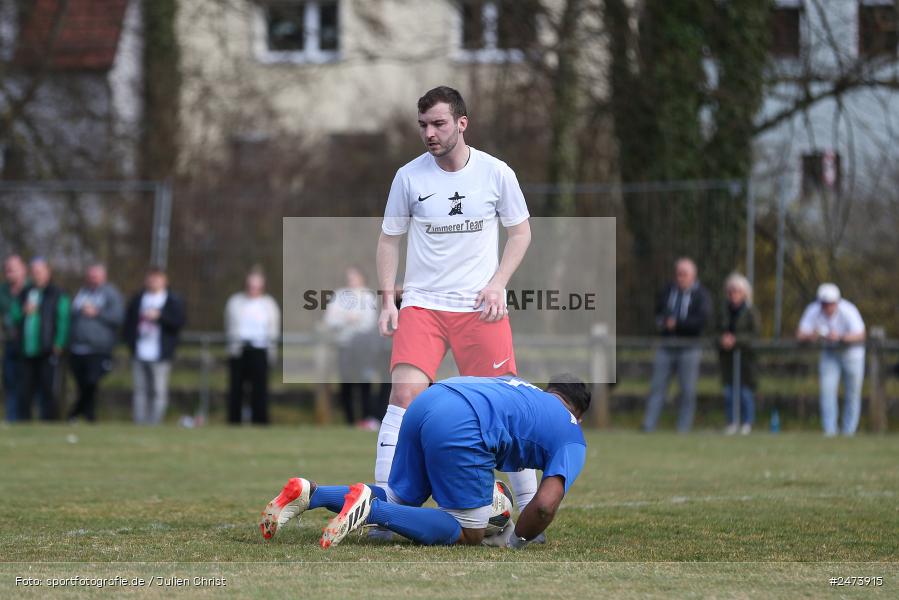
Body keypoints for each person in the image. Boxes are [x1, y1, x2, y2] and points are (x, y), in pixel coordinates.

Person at [376, 86, 535, 512]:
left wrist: (498, 283)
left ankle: (529, 508)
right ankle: (385, 508)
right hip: (423, 305)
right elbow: (389, 239)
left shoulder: (496, 172)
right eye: (423, 125)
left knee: (504, 406)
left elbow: (521, 232)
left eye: (439, 124)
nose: (429, 133)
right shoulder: (408, 177)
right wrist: (389, 300)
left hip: (480, 308)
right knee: (403, 397)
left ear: (462, 123)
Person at [259, 374, 589, 549]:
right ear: (579, 415)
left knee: (400, 496)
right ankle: (369, 511)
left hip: (431, 397)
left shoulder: (521, 388)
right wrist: (516, 541)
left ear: (549, 391)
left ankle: (311, 493)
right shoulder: (572, 433)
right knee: (469, 531)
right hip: (464, 422)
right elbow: (544, 506)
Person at [642, 257, 711, 432]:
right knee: (657, 387)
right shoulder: (668, 290)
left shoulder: (701, 295)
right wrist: (663, 322)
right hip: (666, 345)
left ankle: (683, 428)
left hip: (689, 347)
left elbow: (701, 321)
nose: (680, 277)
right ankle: (648, 426)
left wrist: (678, 324)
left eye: (684, 274)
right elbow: (658, 311)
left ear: (693, 275)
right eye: (678, 273)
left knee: (687, 390)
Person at [797, 283, 865, 436]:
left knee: (852, 394)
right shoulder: (813, 310)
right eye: (824, 304)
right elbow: (800, 334)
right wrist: (813, 335)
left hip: (852, 355)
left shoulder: (848, 310)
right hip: (829, 354)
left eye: (830, 304)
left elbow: (860, 334)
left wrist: (840, 338)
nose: (827, 307)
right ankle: (830, 432)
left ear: (837, 302)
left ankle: (849, 432)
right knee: (827, 392)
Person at [9, 258, 70, 420]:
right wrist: (23, 311)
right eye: (34, 272)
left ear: (48, 272)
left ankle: (49, 422)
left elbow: (63, 319)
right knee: (24, 390)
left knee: (48, 389)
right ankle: (23, 422)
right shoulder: (24, 292)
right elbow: (13, 316)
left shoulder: (57, 293)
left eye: (40, 272)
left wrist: (59, 342)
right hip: (26, 350)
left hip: (47, 349)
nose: (36, 275)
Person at [124, 267, 186, 425]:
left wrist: (160, 317)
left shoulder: (173, 300)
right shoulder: (138, 299)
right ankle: (140, 423)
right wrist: (130, 343)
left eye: (157, 278)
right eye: (150, 278)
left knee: (158, 391)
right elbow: (128, 324)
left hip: (160, 353)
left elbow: (178, 322)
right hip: (139, 351)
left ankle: (154, 423)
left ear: (165, 281)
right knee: (140, 391)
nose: (153, 281)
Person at [324, 266, 380, 429]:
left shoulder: (368, 297)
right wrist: (347, 319)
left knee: (364, 381)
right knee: (346, 383)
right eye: (349, 276)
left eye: (355, 276)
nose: (351, 280)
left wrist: (348, 319)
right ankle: (349, 420)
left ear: (362, 277)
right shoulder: (339, 295)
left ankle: (366, 418)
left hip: (363, 347)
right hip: (344, 346)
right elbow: (330, 320)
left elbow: (368, 322)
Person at [67, 264, 124, 422]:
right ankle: (88, 417)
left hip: (99, 348)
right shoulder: (80, 292)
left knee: (91, 382)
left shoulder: (111, 294)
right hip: (77, 348)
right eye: (91, 276)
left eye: (96, 276)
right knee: (81, 385)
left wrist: (97, 312)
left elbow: (118, 317)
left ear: (104, 276)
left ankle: (75, 413)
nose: (93, 279)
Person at [225, 269, 280, 425]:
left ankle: (260, 422)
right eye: (251, 286)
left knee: (260, 389)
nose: (253, 290)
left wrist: (272, 351)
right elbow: (229, 325)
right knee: (236, 389)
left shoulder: (269, 304)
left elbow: (274, 328)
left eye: (257, 287)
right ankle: (234, 422)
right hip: (239, 350)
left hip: (260, 349)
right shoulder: (235, 302)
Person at [718, 273, 759, 435]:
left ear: (745, 293)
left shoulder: (751, 312)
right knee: (729, 392)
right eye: (731, 291)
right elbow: (714, 331)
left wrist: (736, 340)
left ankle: (747, 423)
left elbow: (755, 334)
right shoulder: (723, 311)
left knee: (745, 392)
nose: (734, 294)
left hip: (745, 359)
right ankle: (731, 422)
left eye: (737, 291)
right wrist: (722, 339)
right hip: (727, 359)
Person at [1, 255, 28, 422]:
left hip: (31, 345)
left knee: (29, 383)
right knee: (10, 381)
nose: (9, 272)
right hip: (10, 342)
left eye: (13, 269)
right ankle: (12, 418)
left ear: (23, 269)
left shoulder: (32, 289)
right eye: (7, 269)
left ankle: (30, 419)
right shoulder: (2, 291)